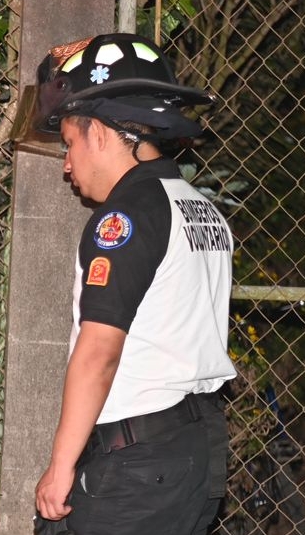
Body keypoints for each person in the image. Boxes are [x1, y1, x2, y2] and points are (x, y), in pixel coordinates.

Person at [30, 33, 237, 535]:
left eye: (70, 143)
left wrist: (62, 466)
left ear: (98, 132)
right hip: (190, 452)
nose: (67, 165)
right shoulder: (197, 205)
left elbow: (100, 350)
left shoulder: (124, 218)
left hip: (137, 465)